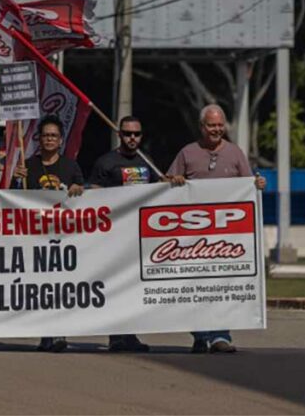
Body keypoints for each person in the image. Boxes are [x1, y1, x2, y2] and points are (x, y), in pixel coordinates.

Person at [167, 104, 266, 354]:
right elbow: (164, 184)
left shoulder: (235, 153)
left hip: (225, 237)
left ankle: (221, 335)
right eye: (211, 125)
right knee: (194, 287)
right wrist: (174, 181)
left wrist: (258, 184)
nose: (217, 129)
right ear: (202, 127)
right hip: (192, 238)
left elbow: (248, 185)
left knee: (222, 285)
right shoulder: (187, 153)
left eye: (220, 125)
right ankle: (201, 335)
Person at [11, 115, 83, 353]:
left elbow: (84, 195)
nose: (50, 139)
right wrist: (15, 181)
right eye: (45, 135)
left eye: (54, 135)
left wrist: (78, 188)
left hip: (63, 238)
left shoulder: (71, 167)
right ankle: (46, 333)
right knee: (42, 288)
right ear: (38, 139)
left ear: (61, 140)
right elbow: (11, 201)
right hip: (35, 238)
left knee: (60, 286)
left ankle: (58, 332)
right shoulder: (28, 165)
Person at [88, 116, 158, 353]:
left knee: (134, 288)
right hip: (113, 236)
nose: (132, 138)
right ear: (119, 134)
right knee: (115, 287)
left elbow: (161, 190)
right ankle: (116, 336)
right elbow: (94, 197)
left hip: (140, 236)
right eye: (127, 133)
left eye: (136, 134)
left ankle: (130, 335)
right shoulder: (105, 162)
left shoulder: (148, 162)